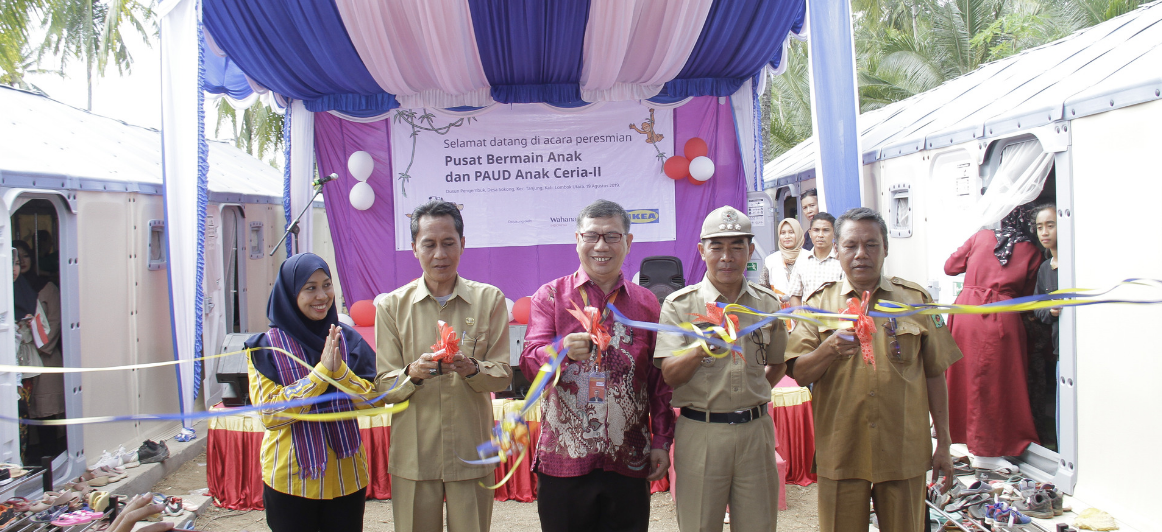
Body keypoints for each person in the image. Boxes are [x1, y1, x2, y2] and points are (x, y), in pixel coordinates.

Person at [786, 208, 961, 532]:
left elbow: (936, 373)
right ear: (837, 250)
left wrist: (945, 445)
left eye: (871, 244)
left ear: (886, 248)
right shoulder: (818, 305)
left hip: (903, 451)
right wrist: (828, 349)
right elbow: (800, 373)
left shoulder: (915, 301)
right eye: (851, 245)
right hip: (842, 450)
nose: (861, 254)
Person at [521, 199, 674, 532]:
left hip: (628, 458)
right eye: (592, 236)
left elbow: (658, 382)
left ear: (628, 242)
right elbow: (529, 363)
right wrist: (559, 350)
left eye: (612, 236)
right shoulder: (551, 297)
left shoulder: (646, 303)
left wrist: (661, 441)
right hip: (565, 463)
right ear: (577, 240)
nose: (601, 246)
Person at [376, 200, 513, 532]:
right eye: (429, 244)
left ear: (462, 245)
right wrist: (412, 373)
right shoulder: (391, 306)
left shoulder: (489, 300)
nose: (440, 254)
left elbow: (503, 375)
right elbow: (383, 385)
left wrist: (471, 368)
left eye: (448, 243)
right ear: (414, 249)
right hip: (414, 452)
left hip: (471, 447)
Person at [654, 205, 788, 532]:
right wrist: (701, 350)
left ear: (751, 250)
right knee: (699, 525)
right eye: (717, 246)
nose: (726, 256)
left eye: (736, 246)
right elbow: (669, 374)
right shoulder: (680, 305)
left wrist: (752, 395)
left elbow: (778, 362)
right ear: (702, 251)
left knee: (759, 526)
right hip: (701, 431)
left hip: (755, 432)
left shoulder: (767, 303)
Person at [244, 253, 378, 532]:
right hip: (291, 481)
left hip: (346, 477)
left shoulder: (347, 338)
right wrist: (320, 374)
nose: (322, 296)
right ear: (290, 294)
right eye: (310, 288)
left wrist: (340, 372)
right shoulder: (265, 347)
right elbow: (270, 415)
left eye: (327, 285)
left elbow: (374, 398)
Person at [944, 205, 1042, 472]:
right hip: (1001, 315)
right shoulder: (1032, 251)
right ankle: (987, 450)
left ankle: (962, 436)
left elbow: (950, 267)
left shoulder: (981, 237)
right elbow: (1028, 296)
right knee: (995, 384)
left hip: (965, 312)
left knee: (964, 375)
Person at [787, 212, 843, 308]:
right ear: (810, 233)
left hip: (835, 320)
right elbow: (795, 295)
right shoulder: (802, 261)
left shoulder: (842, 262)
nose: (820, 235)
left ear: (834, 234)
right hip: (808, 320)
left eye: (826, 230)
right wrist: (800, 318)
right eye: (816, 230)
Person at [758, 218, 804, 302]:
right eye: (783, 233)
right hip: (779, 310)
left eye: (791, 232)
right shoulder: (771, 260)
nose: (787, 236)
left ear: (798, 233)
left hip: (805, 311)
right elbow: (762, 288)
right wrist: (774, 297)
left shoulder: (809, 257)